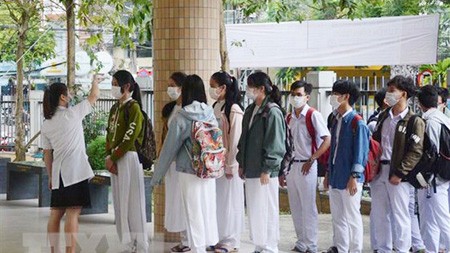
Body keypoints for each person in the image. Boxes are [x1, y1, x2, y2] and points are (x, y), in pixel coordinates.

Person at [151, 74, 219, 253]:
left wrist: (157, 176)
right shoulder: (209, 113)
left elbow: (168, 149)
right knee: (206, 209)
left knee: (192, 211)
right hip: (208, 168)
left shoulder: (182, 116)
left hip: (188, 170)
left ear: (186, 91)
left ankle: (197, 249)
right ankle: (204, 245)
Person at [41, 75, 101, 253]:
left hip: (59, 173)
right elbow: (94, 96)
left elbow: (47, 154)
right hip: (75, 171)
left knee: (55, 213)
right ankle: (70, 251)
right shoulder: (73, 114)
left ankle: (53, 251)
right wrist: (95, 81)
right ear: (62, 97)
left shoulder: (46, 124)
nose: (71, 95)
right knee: (73, 213)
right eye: (69, 93)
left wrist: (51, 176)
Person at [371, 75, 425, 253]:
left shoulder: (413, 120)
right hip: (379, 172)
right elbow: (376, 143)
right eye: (388, 90)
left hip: (398, 175)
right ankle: (383, 249)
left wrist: (400, 173)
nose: (389, 94)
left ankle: (402, 249)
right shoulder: (384, 117)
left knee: (401, 215)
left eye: (392, 91)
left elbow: (415, 150)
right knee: (379, 215)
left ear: (404, 94)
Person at [236, 72, 286, 253]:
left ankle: (270, 246)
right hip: (251, 168)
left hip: (265, 171)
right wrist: (241, 163)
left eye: (251, 86)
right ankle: (259, 245)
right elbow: (244, 140)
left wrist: (268, 168)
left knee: (267, 209)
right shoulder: (251, 111)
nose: (248, 90)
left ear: (262, 89)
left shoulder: (272, 112)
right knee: (256, 210)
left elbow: (276, 144)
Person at [280, 80, 330, 253]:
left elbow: (326, 139)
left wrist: (313, 158)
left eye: (299, 95)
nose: (295, 98)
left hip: (307, 165)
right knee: (295, 206)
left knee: (308, 206)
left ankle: (311, 244)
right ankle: (301, 242)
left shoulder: (313, 115)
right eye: (293, 94)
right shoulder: (289, 117)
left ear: (307, 97)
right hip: (292, 166)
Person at [323, 80, 370, 253]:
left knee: (352, 218)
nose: (333, 97)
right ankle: (342, 248)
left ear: (346, 97)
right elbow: (333, 151)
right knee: (337, 218)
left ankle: (355, 250)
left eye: (336, 93)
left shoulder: (357, 122)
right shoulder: (336, 120)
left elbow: (361, 154)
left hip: (350, 178)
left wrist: (354, 177)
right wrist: (328, 173)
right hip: (336, 176)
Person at [105, 70, 148, 253]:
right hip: (115, 159)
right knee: (120, 202)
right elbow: (109, 132)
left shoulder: (134, 108)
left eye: (116, 83)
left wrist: (114, 157)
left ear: (127, 86)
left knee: (133, 202)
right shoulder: (115, 108)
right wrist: (109, 156)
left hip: (128, 158)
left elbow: (130, 136)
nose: (113, 87)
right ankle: (128, 244)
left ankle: (141, 245)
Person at [209, 71, 245, 253]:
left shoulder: (234, 109)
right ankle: (219, 237)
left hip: (229, 163)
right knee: (219, 201)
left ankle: (230, 240)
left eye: (213, 86)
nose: (211, 89)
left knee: (230, 201)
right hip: (215, 163)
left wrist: (231, 164)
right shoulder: (216, 106)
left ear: (223, 87)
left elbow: (235, 141)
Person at [416, 85, 450, 253]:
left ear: (420, 103)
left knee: (439, 219)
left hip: (433, 180)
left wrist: (422, 178)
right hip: (441, 177)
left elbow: (431, 154)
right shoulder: (443, 119)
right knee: (435, 219)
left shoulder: (429, 122)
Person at [160, 72, 190, 252]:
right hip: (170, 163)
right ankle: (183, 239)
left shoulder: (189, 109)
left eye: (173, 84)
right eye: (168, 84)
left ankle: (189, 240)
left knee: (185, 199)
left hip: (183, 162)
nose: (169, 88)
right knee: (176, 200)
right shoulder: (170, 109)